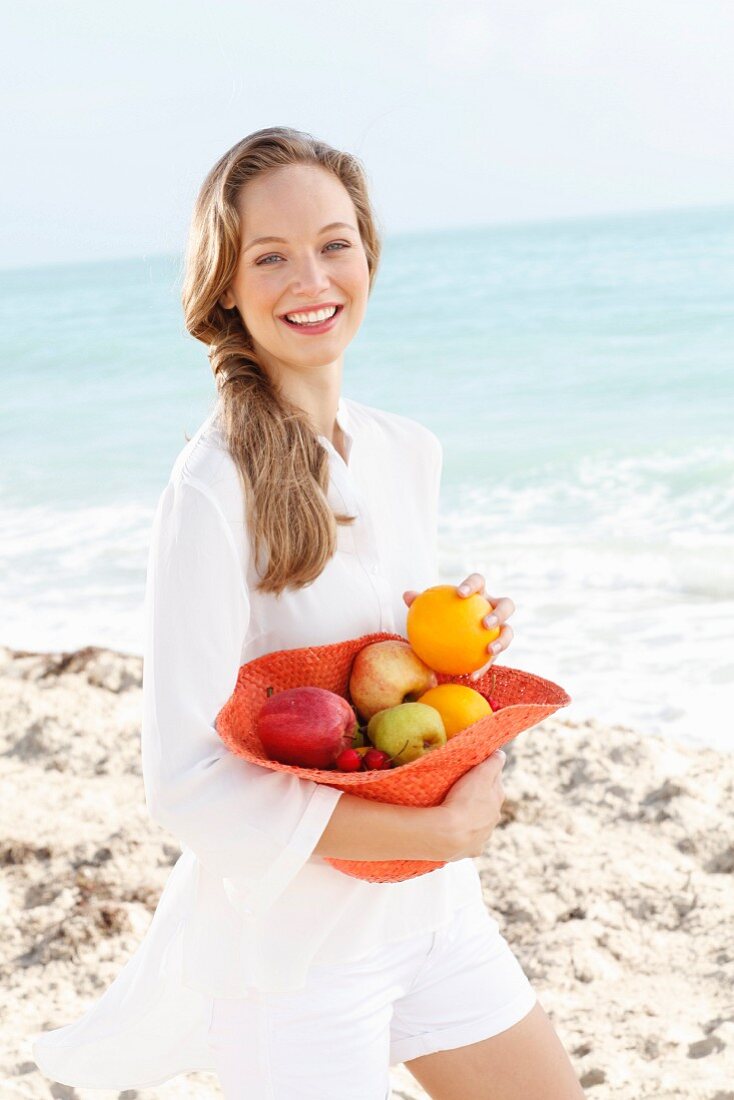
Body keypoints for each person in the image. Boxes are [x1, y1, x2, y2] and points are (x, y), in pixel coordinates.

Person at [32, 127, 586, 1099]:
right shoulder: (210, 488)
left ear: (367, 254)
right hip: (293, 955)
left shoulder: (405, 451)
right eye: (270, 255)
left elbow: (390, 686)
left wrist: (457, 645)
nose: (310, 276)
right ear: (226, 289)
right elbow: (186, 783)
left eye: (333, 242)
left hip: (434, 919)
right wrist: (435, 833)